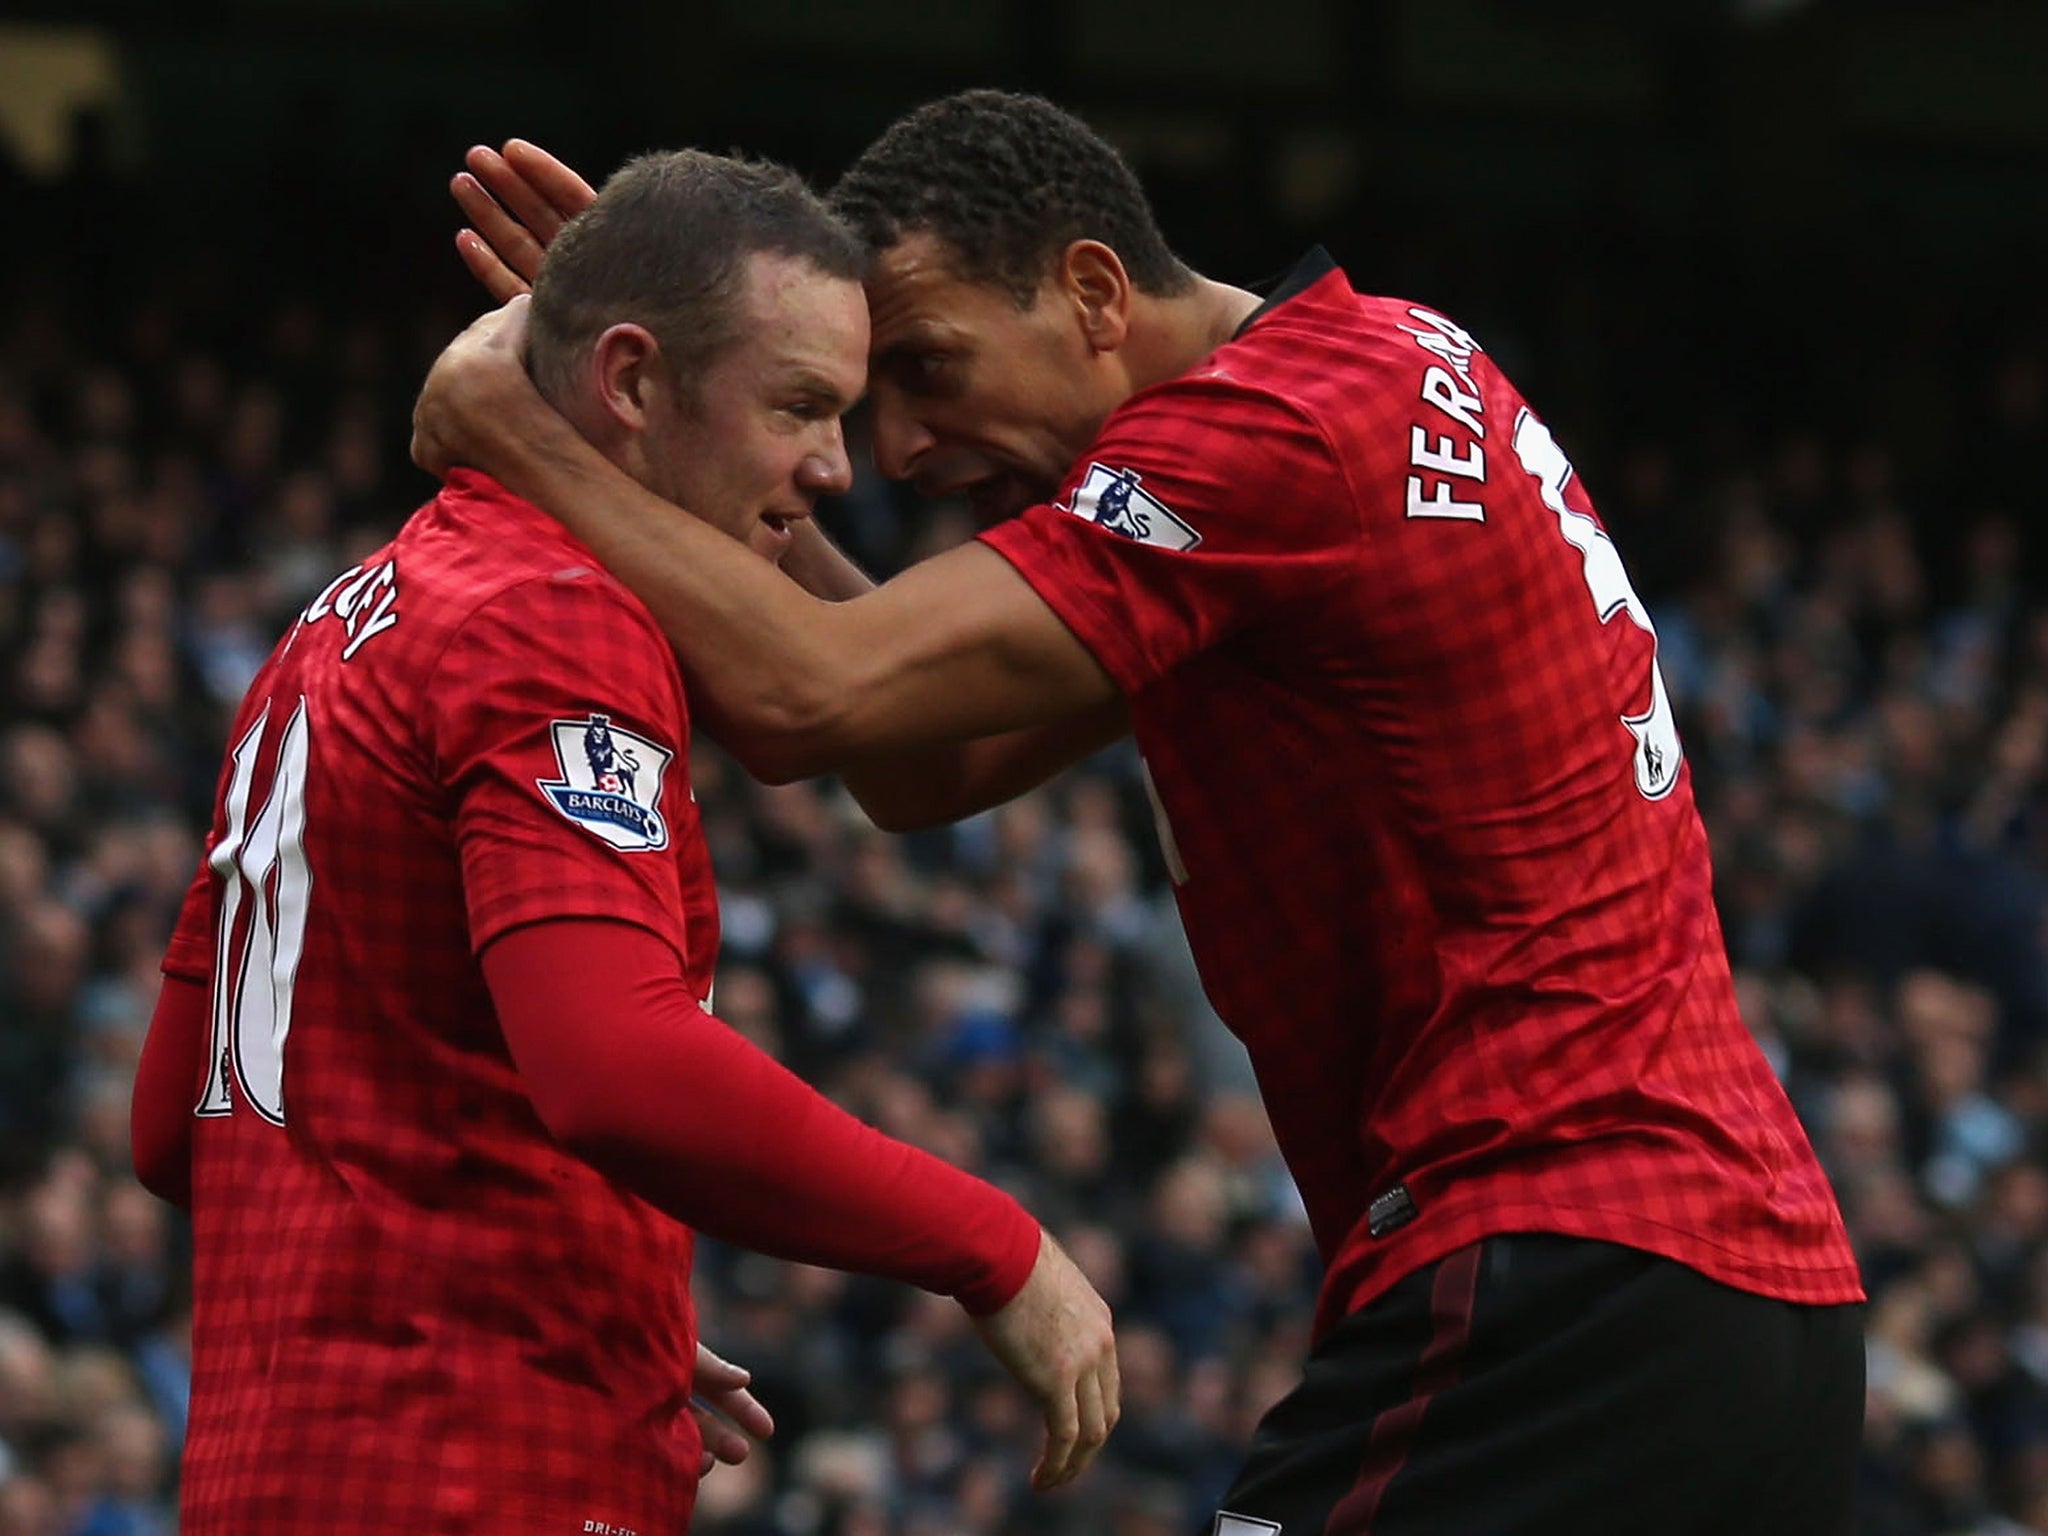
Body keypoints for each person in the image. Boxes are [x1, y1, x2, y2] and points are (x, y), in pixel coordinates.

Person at [418, 93, 1867, 1535]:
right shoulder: (1371, 375)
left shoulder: (1271, 432)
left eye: (926, 367)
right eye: (858, 404)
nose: (904, 449)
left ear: (1094, 291)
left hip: (1563, 1258)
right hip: (1736, 1292)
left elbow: (816, 698)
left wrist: (520, 427)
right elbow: (925, 763)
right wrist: (684, 426)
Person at [130, 147, 1117, 1536]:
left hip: (270, 1475)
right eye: (800, 408)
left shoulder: (339, 621)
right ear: (636, 384)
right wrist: (998, 1250)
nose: (837, 468)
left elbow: (180, 1121)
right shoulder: (557, 616)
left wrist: (577, 1279)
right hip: (471, 1474)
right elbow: (616, 1067)